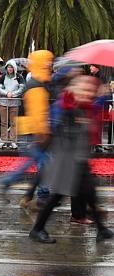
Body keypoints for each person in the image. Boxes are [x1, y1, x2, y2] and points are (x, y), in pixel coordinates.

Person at [30, 76, 113, 244]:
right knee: (56, 198)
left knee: (90, 194)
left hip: (79, 160)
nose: (87, 92)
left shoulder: (83, 107)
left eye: (90, 90)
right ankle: (37, 229)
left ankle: (101, 229)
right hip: (67, 161)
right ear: (74, 90)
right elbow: (64, 133)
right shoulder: (68, 107)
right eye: (83, 89)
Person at [0, 50, 54, 209]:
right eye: (47, 61)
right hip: (34, 133)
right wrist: (42, 134)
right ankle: (42, 196)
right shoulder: (37, 84)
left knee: (34, 164)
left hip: (31, 131)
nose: (50, 65)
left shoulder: (37, 82)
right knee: (44, 164)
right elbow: (38, 112)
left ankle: (10, 184)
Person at [0, 60, 25, 149]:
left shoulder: (19, 77)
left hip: (14, 103)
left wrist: (13, 94)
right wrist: (6, 93)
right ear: (6, 68)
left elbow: (22, 88)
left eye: (11, 67)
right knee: (3, 123)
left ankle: (13, 141)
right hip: (4, 102)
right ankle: (3, 140)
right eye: (8, 67)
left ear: (14, 68)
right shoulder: (3, 77)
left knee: (13, 123)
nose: (10, 69)